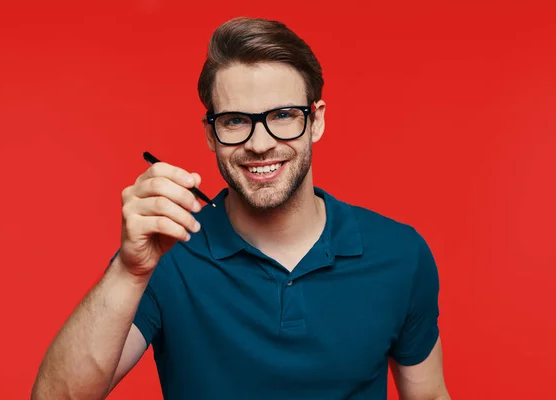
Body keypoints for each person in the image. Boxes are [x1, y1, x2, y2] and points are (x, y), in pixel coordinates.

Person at [31, 16, 450, 400]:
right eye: (235, 121)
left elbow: (428, 396)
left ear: (316, 120)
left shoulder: (399, 253)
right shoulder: (167, 254)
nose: (260, 142)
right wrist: (129, 270)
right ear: (211, 134)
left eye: (284, 115)